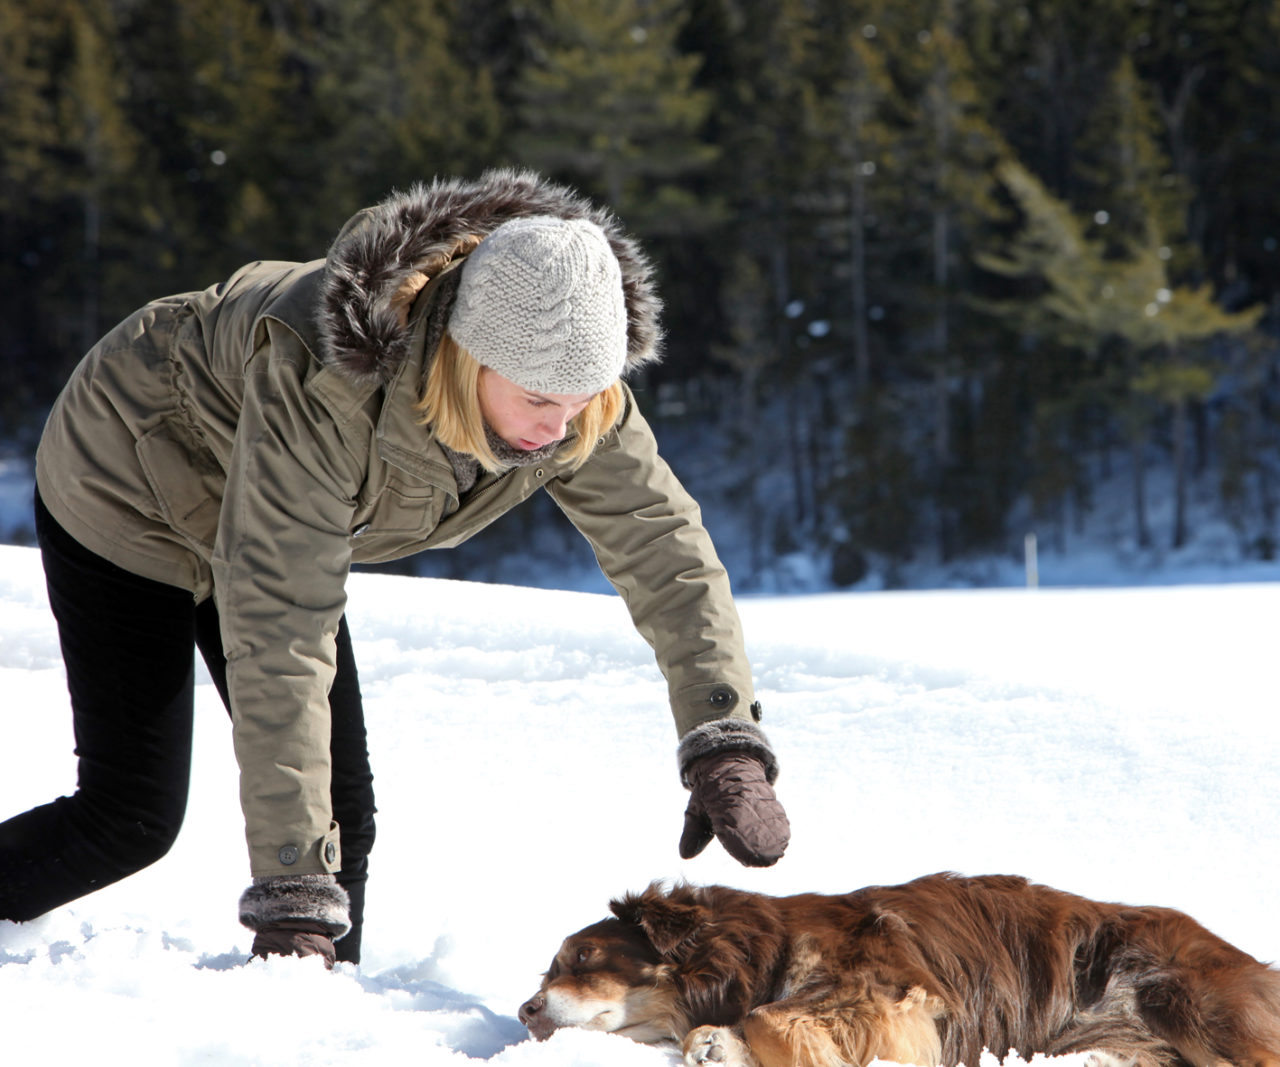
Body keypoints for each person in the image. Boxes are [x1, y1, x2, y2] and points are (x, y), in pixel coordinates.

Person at [0, 168, 790, 965]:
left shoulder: (573, 389)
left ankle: (320, 1012)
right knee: (128, 817)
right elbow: (283, 629)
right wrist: (289, 897)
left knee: (344, 811)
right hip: (129, 479)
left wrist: (723, 737)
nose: (559, 425)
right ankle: (297, 970)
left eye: (583, 397)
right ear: (466, 356)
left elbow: (667, 550)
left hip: (264, 512)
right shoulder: (328, 384)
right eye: (538, 400)